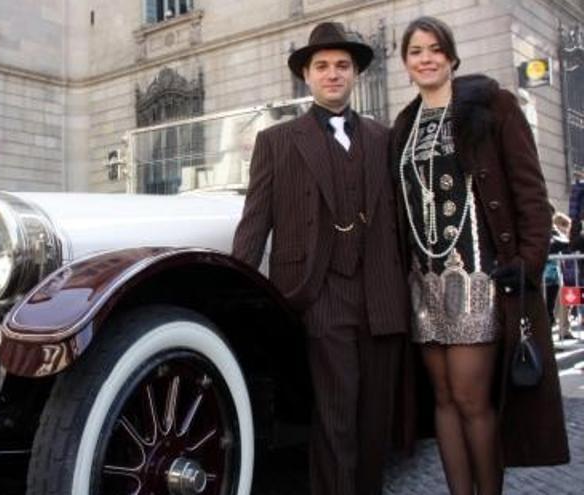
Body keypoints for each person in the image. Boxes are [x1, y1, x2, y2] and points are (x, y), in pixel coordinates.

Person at [391, 16, 569, 495]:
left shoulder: (492, 107)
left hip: (477, 279)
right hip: (422, 284)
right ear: (406, 63)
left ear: (450, 56)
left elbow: (531, 192)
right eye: (415, 52)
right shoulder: (403, 126)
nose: (426, 58)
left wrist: (528, 262)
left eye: (435, 49)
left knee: (472, 399)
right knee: (444, 401)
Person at [232, 22, 409, 495]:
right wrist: (240, 297)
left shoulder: (383, 138)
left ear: (355, 75)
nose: (333, 74)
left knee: (376, 421)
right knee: (334, 419)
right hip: (317, 293)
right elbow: (255, 222)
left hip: (381, 295)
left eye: (342, 66)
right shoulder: (277, 141)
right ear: (306, 76)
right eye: (323, 66)